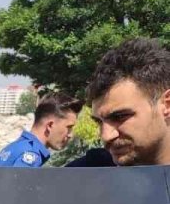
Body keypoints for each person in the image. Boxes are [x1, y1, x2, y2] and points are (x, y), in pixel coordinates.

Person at [67, 37, 170, 168]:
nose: (105, 136)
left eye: (120, 117)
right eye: (99, 122)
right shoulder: (82, 176)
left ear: (167, 105)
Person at [0, 93, 81, 167]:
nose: (70, 135)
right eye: (69, 128)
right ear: (50, 125)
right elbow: (18, 189)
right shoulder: (32, 155)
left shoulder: (15, 146)